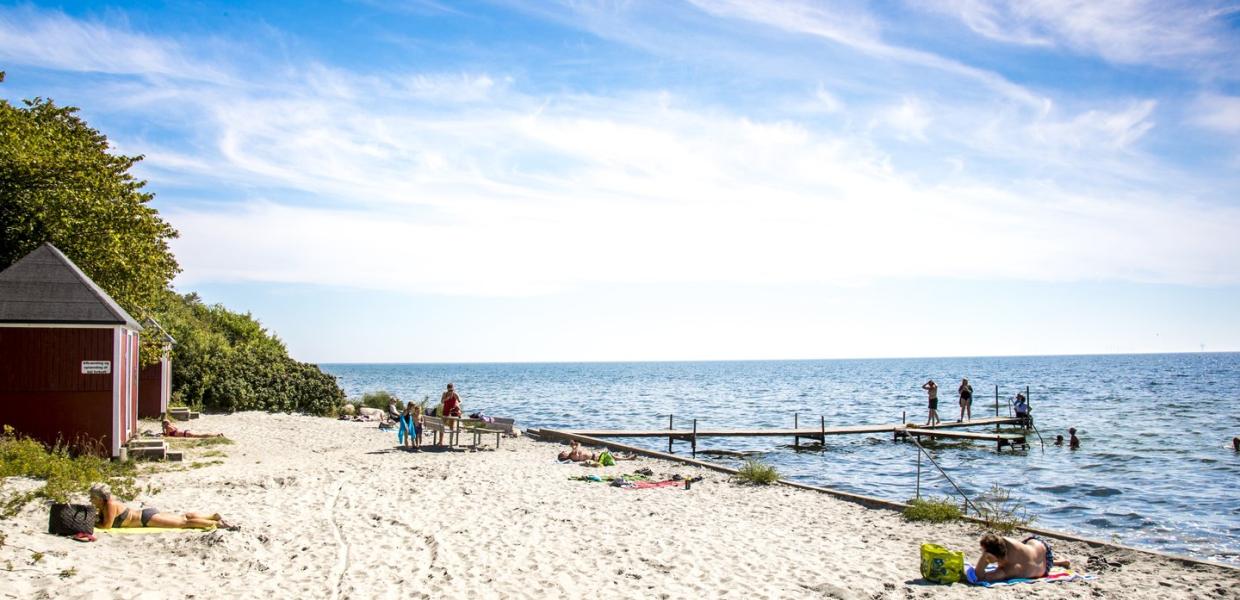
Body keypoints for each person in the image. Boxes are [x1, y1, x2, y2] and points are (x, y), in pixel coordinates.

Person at [89, 483, 237, 531]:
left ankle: (217, 523)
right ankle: (211, 516)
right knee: (183, 517)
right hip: (146, 514)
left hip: (146, 519)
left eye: (92, 498)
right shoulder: (107, 504)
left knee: (183, 524)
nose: (91, 500)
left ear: (99, 498)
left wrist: (95, 524)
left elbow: (107, 526)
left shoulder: (109, 505)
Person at [971, 532, 1069, 583]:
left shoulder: (1007, 571)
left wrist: (985, 558)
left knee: (1028, 559)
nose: (982, 552)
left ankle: (1059, 562)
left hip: (1045, 567)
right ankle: (1060, 562)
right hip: (1041, 546)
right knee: (1027, 556)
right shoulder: (1006, 541)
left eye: (984, 551)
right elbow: (994, 539)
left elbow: (979, 576)